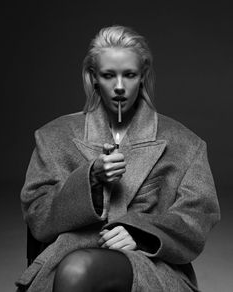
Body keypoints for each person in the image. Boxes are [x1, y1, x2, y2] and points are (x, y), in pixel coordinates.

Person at [16, 25, 220, 292]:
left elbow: (196, 219)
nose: (120, 87)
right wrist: (91, 179)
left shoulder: (186, 144)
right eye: (109, 75)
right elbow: (37, 217)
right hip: (66, 260)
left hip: (150, 267)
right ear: (93, 77)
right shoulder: (53, 137)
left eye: (130, 75)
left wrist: (140, 232)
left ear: (143, 76)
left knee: (79, 269)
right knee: (76, 269)